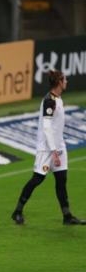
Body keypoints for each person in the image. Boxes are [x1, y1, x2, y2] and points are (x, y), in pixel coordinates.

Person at [11, 70, 85, 225]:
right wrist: (54, 152)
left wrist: (59, 149)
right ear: (59, 82)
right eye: (65, 79)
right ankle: (17, 211)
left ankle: (67, 216)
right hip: (46, 149)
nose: (67, 82)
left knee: (61, 180)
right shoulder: (49, 101)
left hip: (59, 146)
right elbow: (47, 127)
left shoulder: (58, 99)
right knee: (37, 179)